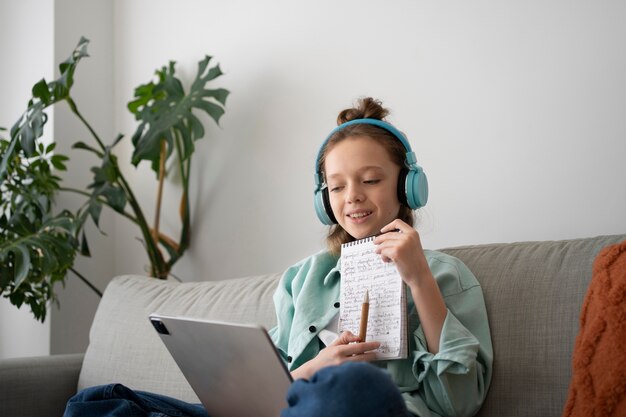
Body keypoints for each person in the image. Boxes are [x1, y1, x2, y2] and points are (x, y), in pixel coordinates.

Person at [63, 97, 493, 417]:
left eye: (371, 180)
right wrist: (312, 370)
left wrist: (417, 278)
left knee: (353, 388)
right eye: (337, 186)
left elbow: (460, 401)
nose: (353, 197)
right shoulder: (302, 279)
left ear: (407, 186)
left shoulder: (444, 274)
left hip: (355, 408)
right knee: (97, 403)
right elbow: (269, 391)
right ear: (324, 199)